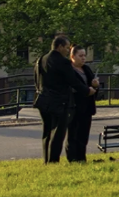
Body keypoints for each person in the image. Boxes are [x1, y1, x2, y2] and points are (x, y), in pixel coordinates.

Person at [34, 35, 87, 164]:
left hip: (43, 99)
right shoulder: (63, 62)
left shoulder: (41, 59)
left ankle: (46, 160)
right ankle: (53, 160)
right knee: (58, 133)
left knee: (47, 132)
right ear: (60, 47)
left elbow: (37, 79)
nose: (68, 50)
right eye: (67, 47)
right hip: (59, 101)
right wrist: (87, 90)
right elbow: (72, 81)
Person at [66, 46, 99, 163]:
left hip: (87, 107)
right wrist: (86, 90)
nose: (83, 58)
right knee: (73, 134)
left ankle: (82, 157)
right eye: (80, 56)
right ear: (72, 56)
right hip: (74, 106)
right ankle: (73, 158)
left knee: (84, 135)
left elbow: (94, 88)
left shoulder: (86, 69)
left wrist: (95, 85)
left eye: (84, 55)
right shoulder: (69, 70)